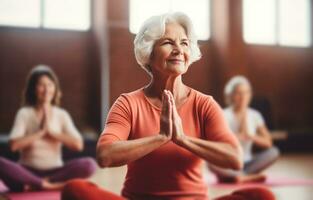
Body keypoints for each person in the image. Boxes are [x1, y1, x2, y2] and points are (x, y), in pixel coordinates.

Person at [61, 13, 275, 200]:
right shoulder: (128, 103)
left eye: (184, 43)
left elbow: (235, 159)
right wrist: (160, 138)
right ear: (149, 53)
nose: (178, 50)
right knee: (76, 189)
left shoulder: (204, 104)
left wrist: (183, 139)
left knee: (261, 196)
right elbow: (105, 155)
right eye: (167, 43)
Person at [0, 65, 97, 192]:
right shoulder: (24, 113)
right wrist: (40, 133)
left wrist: (51, 132)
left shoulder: (61, 114)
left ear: (55, 88)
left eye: (50, 84)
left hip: (55, 172)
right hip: (26, 171)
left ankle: (39, 184)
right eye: (41, 85)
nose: (46, 89)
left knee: (89, 164)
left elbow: (78, 144)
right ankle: (43, 184)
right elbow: (13, 145)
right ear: (33, 89)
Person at [209, 76, 279, 183]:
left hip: (248, 163)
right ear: (230, 96)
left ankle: (239, 176)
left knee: (274, 152)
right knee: (210, 161)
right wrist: (234, 137)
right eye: (238, 93)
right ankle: (243, 176)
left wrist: (250, 136)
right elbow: (214, 143)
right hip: (229, 162)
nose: (243, 97)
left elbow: (268, 143)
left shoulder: (255, 115)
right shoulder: (223, 114)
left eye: (246, 93)